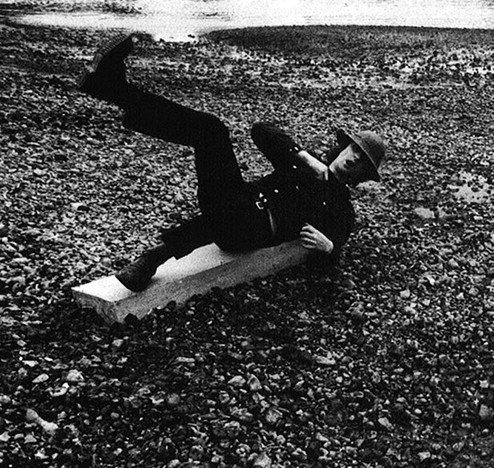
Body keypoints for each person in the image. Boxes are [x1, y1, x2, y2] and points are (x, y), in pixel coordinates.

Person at [77, 33, 387, 292]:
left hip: (251, 231)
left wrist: (328, 247)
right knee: (211, 131)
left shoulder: (342, 207)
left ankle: (154, 257)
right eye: (353, 150)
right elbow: (261, 131)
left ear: (362, 176)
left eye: (361, 161)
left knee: (219, 154)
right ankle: (110, 87)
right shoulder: (304, 163)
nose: (353, 159)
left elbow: (333, 256)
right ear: (342, 148)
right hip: (235, 199)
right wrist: (304, 157)